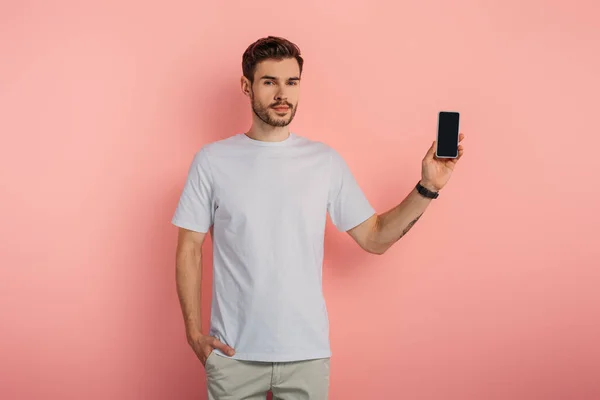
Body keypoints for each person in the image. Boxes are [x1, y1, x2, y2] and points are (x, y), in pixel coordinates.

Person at [172, 36, 464, 400]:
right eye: (269, 82)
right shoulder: (212, 161)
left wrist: (427, 188)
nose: (283, 94)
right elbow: (189, 249)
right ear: (246, 86)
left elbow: (374, 238)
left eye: (291, 82)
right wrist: (193, 335)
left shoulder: (323, 161)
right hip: (234, 356)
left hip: (306, 356)